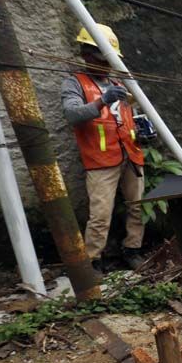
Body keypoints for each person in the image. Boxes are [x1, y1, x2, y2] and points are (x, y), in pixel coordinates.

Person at [60, 24, 146, 271]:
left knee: (137, 207)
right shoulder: (74, 83)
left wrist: (142, 128)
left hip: (131, 154)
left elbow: (131, 113)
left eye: (110, 59)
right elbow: (73, 115)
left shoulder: (119, 82)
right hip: (100, 160)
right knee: (100, 215)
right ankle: (93, 262)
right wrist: (101, 102)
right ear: (86, 54)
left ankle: (133, 250)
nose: (107, 65)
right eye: (102, 59)